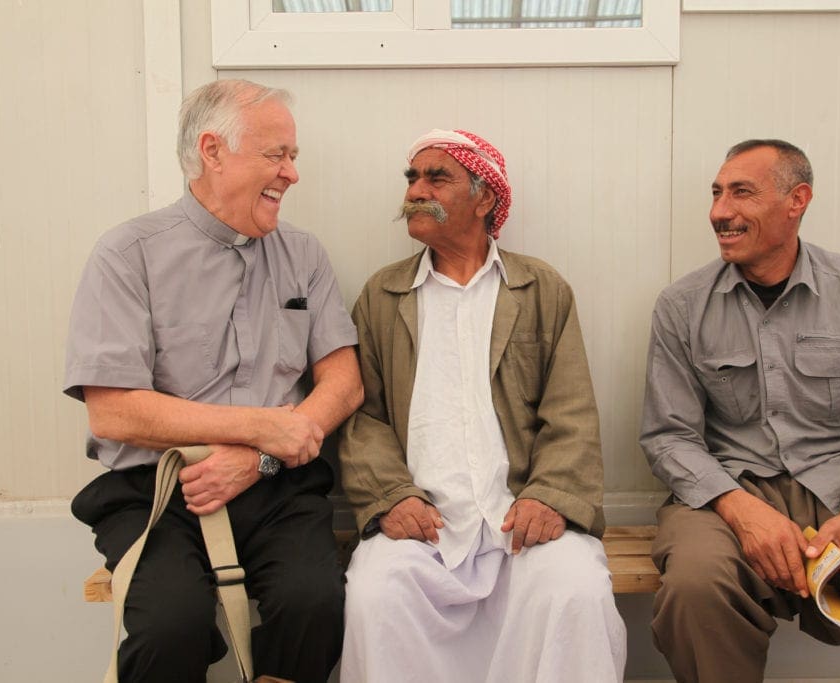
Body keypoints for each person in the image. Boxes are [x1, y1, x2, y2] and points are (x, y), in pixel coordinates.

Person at [640, 138, 840, 682]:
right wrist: (743, 511)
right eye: (717, 194)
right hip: (728, 493)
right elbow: (668, 436)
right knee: (696, 588)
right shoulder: (682, 306)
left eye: (741, 193)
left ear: (797, 200)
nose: (720, 211)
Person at [64, 79, 363, 683]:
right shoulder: (127, 254)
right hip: (155, 489)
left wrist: (262, 458)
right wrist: (263, 428)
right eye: (276, 155)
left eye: (293, 157)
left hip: (278, 485)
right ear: (213, 149)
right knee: (169, 625)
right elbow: (115, 413)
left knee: (317, 606)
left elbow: (345, 382)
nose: (291, 174)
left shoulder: (303, 254)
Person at [337, 129, 627, 682]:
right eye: (412, 178)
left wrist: (550, 496)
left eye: (436, 177)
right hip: (422, 528)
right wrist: (391, 496)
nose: (416, 190)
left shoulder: (540, 289)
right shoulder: (382, 294)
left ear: (485, 198)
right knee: (374, 596)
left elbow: (572, 413)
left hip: (521, 520)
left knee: (576, 590)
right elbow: (362, 418)